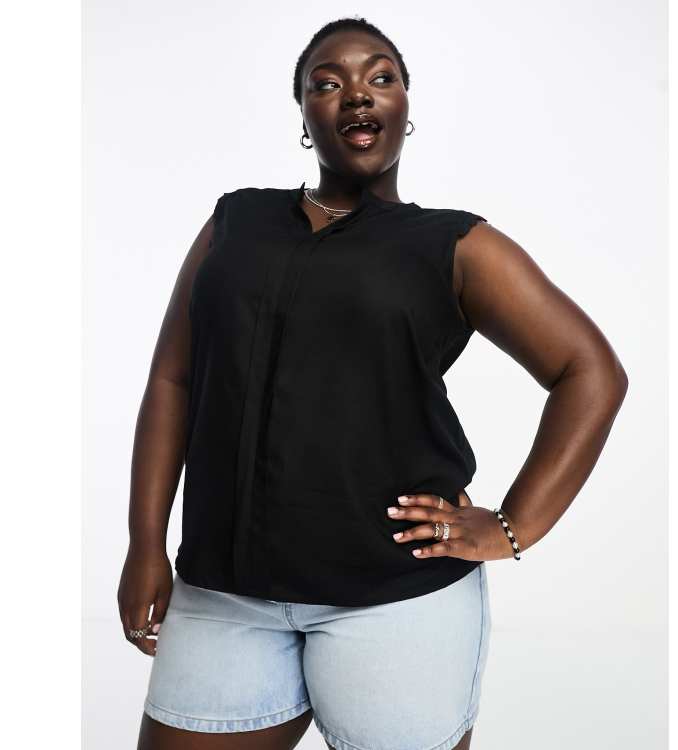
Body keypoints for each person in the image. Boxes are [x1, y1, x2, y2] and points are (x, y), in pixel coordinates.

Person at [118, 16, 628, 750]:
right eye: (327, 83)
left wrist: (513, 526)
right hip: (224, 594)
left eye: (380, 77)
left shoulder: (454, 244)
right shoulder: (236, 221)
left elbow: (590, 371)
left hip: (395, 600)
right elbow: (172, 379)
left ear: (404, 106)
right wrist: (145, 542)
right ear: (304, 114)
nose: (357, 93)